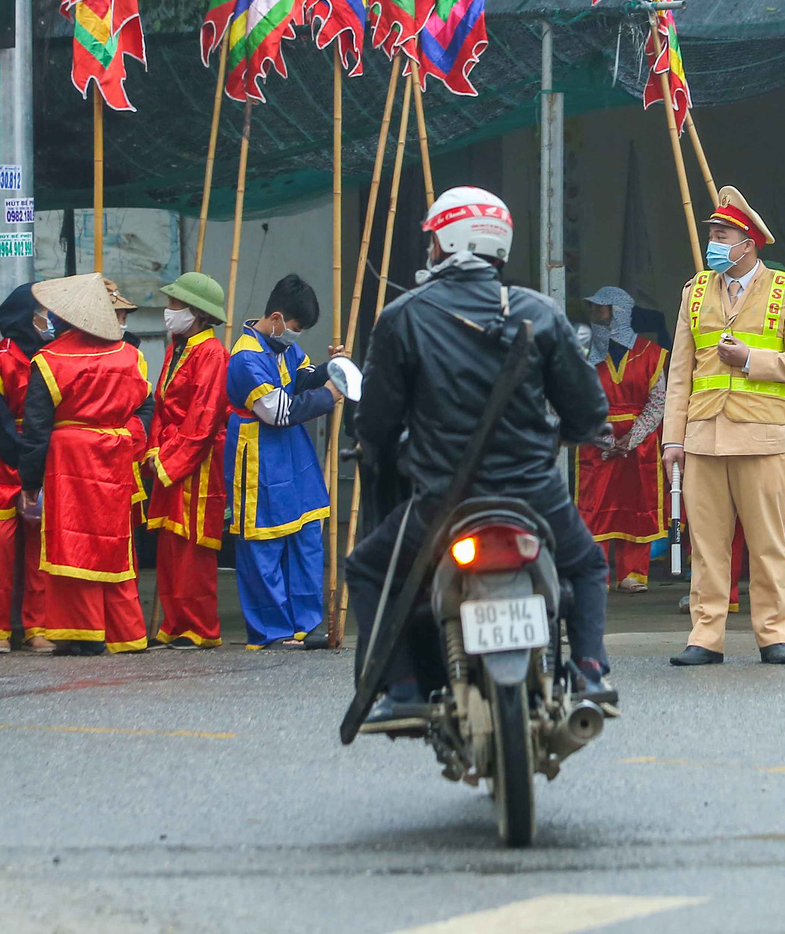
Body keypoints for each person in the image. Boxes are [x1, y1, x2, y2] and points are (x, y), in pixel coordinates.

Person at [347, 187, 614, 723]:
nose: (429, 252)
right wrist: (565, 434)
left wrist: (377, 448)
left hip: (442, 503)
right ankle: (589, 669)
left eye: (431, 242)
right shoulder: (539, 311)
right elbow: (588, 412)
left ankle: (401, 689)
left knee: (367, 569)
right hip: (535, 497)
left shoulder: (403, 316)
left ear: (446, 241)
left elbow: (375, 422)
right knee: (586, 564)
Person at [663, 186, 785, 667]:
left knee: (768, 541)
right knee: (707, 546)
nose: (713, 240)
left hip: (761, 436)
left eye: (722, 233)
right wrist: (672, 439)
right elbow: (680, 374)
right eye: (712, 232)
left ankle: (774, 633)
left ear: (747, 242)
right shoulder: (694, 293)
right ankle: (705, 635)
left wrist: (751, 359)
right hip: (703, 436)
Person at [19, 274, 153, 655]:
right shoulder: (131, 356)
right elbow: (146, 405)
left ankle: (82, 634)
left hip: (69, 458)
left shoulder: (49, 360)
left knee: (72, 545)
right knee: (115, 545)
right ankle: (123, 634)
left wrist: (30, 481)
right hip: (114, 455)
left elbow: (36, 429)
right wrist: (130, 437)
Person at [226, 273, 342, 650]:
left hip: (294, 452)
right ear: (276, 318)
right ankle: (271, 630)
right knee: (264, 543)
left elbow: (303, 378)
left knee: (307, 535)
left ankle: (305, 626)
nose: (297, 335)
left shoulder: (284, 348)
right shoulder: (245, 357)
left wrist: (330, 370)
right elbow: (277, 410)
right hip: (259, 453)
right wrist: (328, 396)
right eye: (295, 327)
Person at [145, 272, 231, 648]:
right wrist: (155, 450)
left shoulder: (212, 353)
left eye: (175, 305)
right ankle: (174, 621)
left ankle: (199, 626)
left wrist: (170, 460)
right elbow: (161, 405)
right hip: (170, 452)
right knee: (170, 544)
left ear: (195, 312)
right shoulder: (176, 348)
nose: (169, 311)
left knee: (194, 546)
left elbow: (205, 416)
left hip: (197, 459)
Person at [0, 283, 53, 653]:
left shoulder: (53, 356)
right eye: (42, 313)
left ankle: (38, 628)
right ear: (25, 316)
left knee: (40, 549)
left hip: (42, 454)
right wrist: (25, 456)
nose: (48, 321)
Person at [574, 286, 668, 592]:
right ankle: (594, 574)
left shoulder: (652, 355)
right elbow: (573, 398)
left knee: (637, 506)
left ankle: (633, 573)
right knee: (593, 508)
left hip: (638, 445)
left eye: (601, 309)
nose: (594, 315)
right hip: (594, 444)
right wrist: (598, 434)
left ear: (620, 312)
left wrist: (632, 438)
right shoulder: (583, 353)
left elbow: (658, 402)